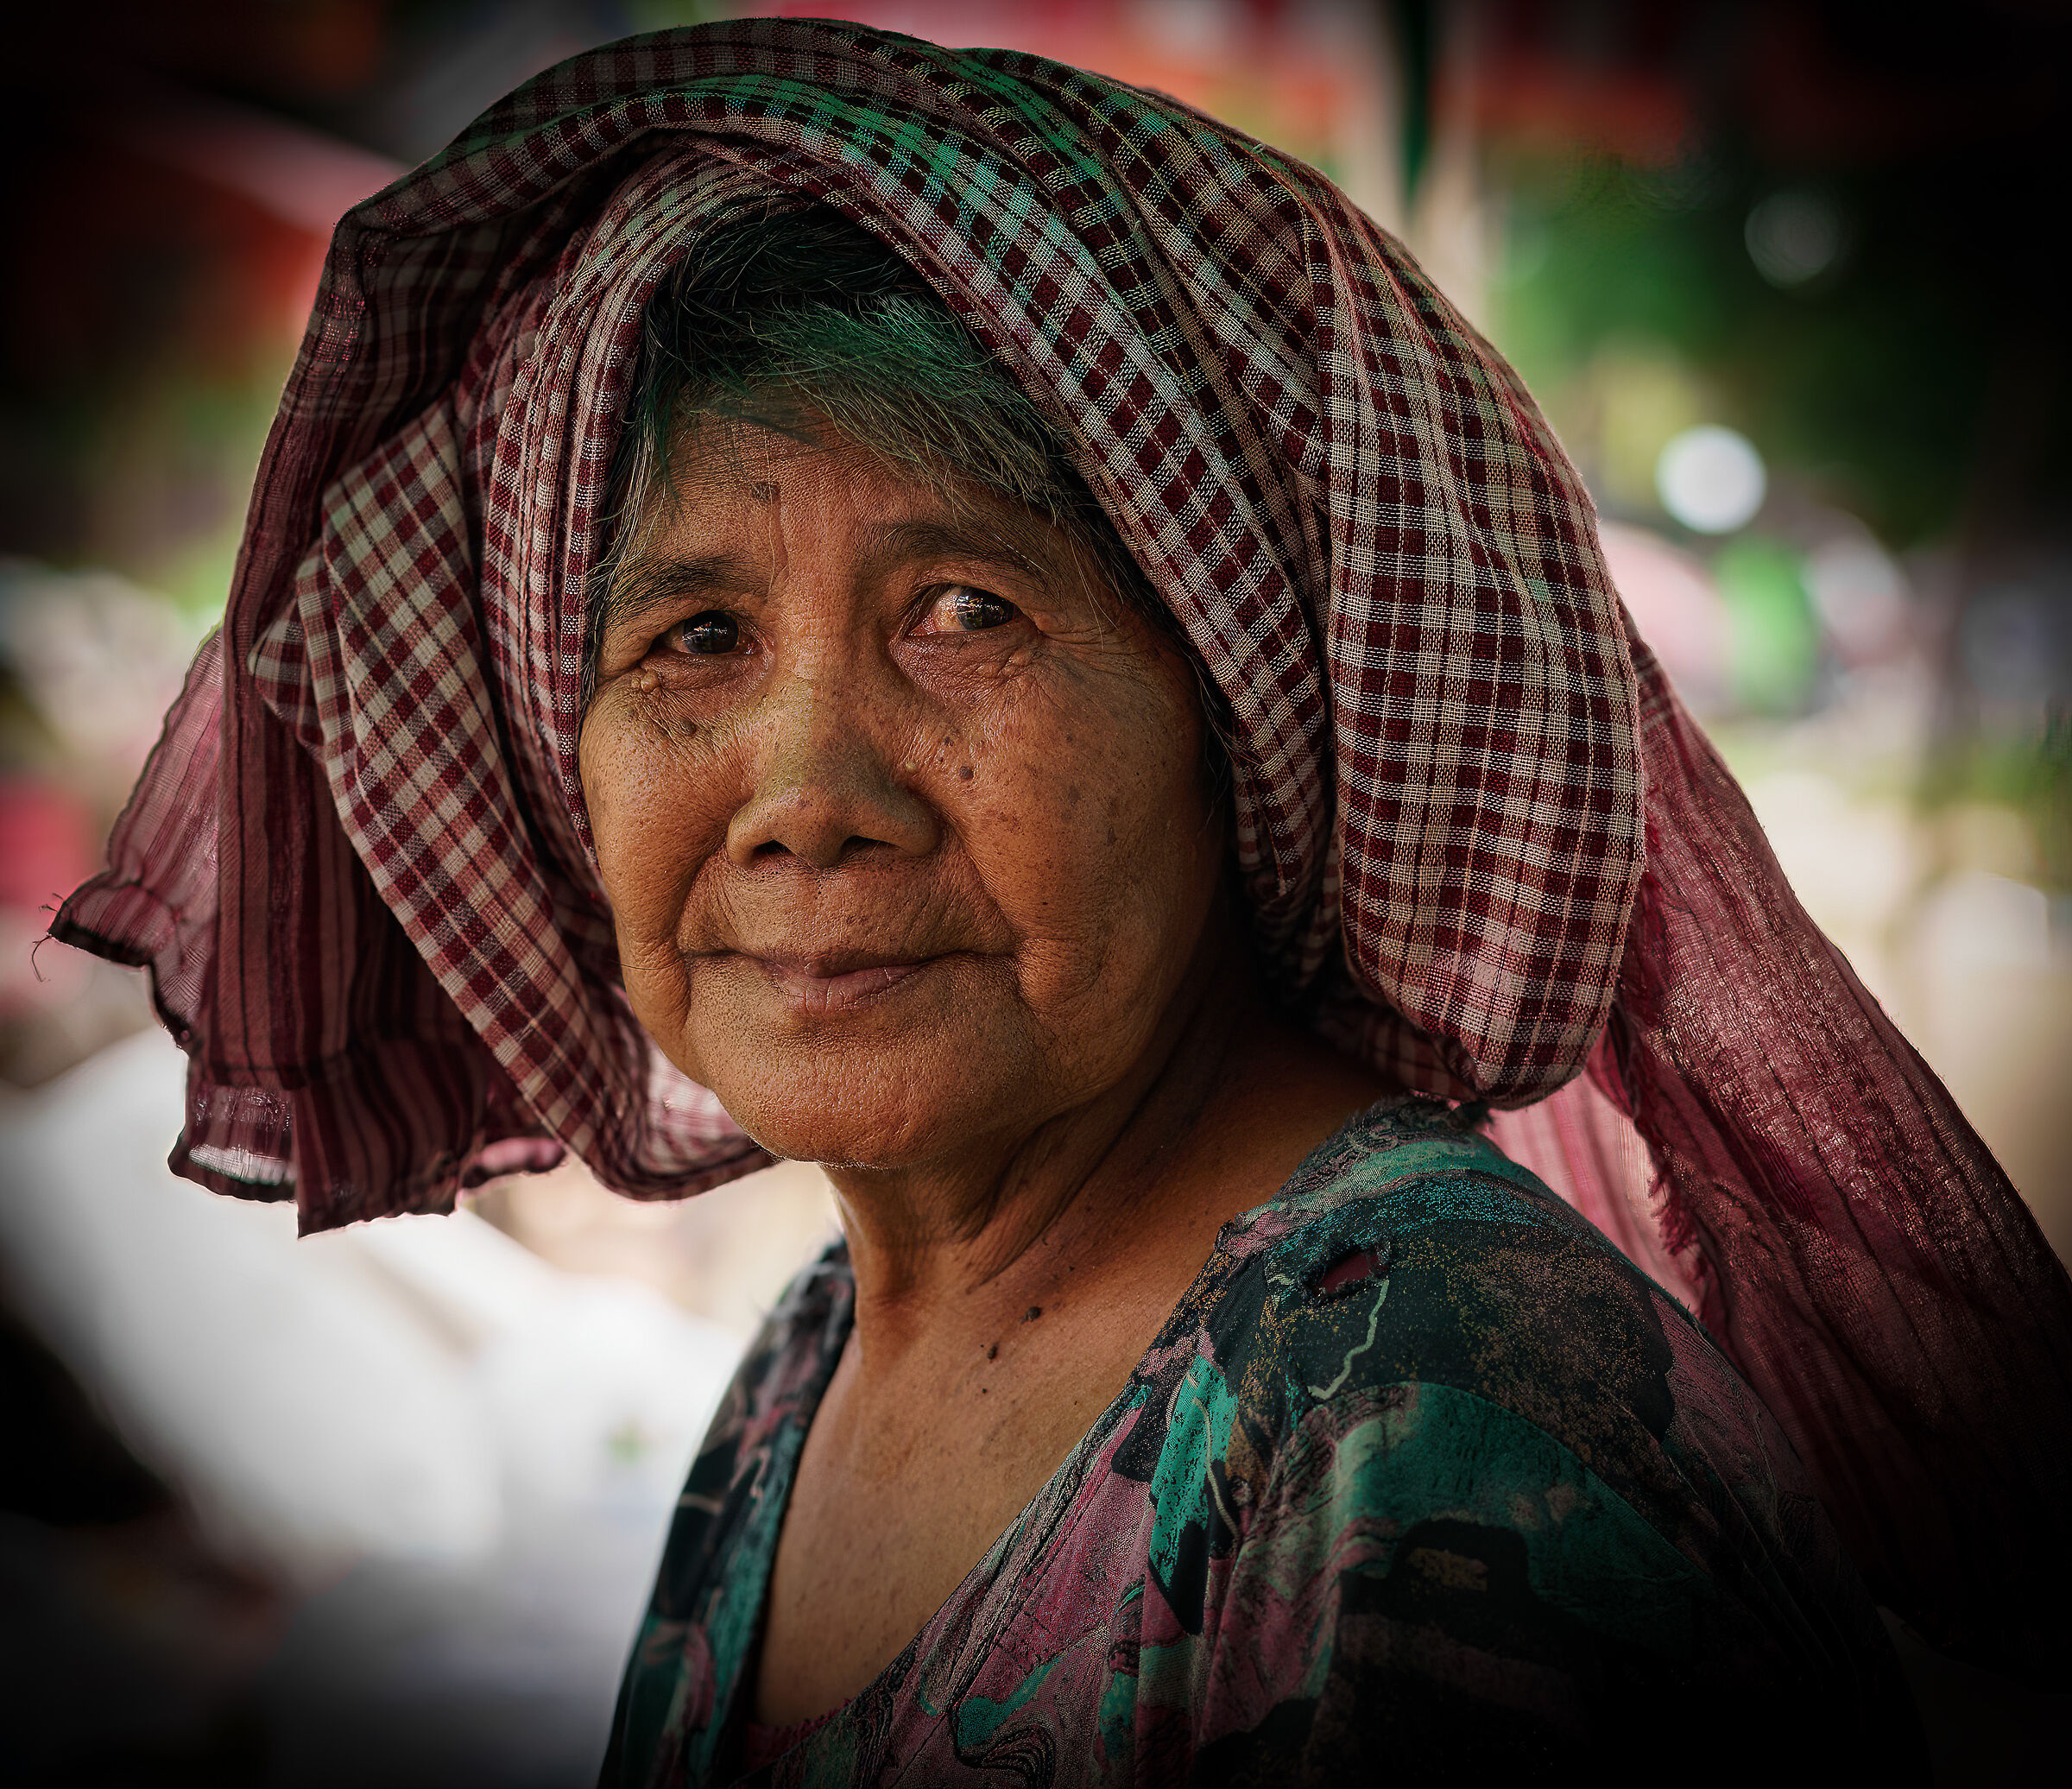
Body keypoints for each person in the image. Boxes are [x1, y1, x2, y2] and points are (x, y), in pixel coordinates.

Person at [54, 18, 2071, 1785]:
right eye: (690, 637)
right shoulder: (827, 1341)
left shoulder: (1440, 1430)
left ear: (1246, 713)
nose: (807, 798)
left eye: (964, 614)